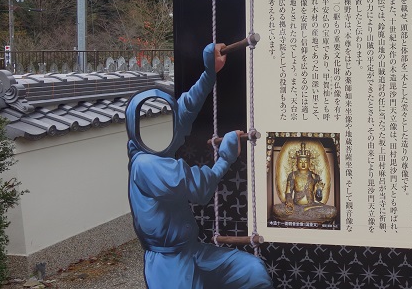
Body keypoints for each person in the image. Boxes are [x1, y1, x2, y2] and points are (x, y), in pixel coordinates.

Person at [125, 43, 272, 289]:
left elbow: (186, 108)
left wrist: (209, 72)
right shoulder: (146, 164)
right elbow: (200, 188)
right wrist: (225, 158)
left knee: (252, 271)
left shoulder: (159, 143)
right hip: (168, 262)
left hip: (193, 251)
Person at [272, 141, 337, 222]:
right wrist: (289, 201)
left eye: (305, 162)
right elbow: (288, 192)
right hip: (296, 206)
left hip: (311, 206)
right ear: (296, 163)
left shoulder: (314, 176)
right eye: (300, 162)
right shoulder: (293, 175)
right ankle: (307, 215)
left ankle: (301, 215)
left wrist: (319, 190)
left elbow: (319, 198)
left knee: (332, 211)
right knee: (277, 209)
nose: (303, 164)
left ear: (309, 163)